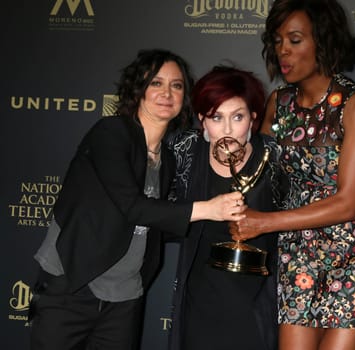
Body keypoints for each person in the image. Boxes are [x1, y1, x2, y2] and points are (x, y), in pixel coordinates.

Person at [229, 1, 355, 349]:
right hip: (300, 249)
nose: (282, 50)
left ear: (324, 43)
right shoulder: (278, 103)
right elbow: (262, 175)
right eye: (278, 39)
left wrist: (263, 223)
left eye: (295, 39)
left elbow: (348, 203)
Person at [29, 49, 245, 350]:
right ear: (138, 89)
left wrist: (228, 222)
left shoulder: (167, 158)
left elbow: (158, 224)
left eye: (177, 85)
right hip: (72, 285)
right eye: (156, 83)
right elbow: (132, 207)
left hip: (124, 297)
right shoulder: (111, 132)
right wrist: (208, 208)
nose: (167, 93)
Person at [167, 65, 283, 350]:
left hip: (256, 298)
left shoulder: (275, 155)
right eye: (217, 117)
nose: (228, 129)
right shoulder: (185, 150)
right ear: (202, 121)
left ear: (253, 119)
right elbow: (160, 216)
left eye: (238, 116)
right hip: (200, 296)